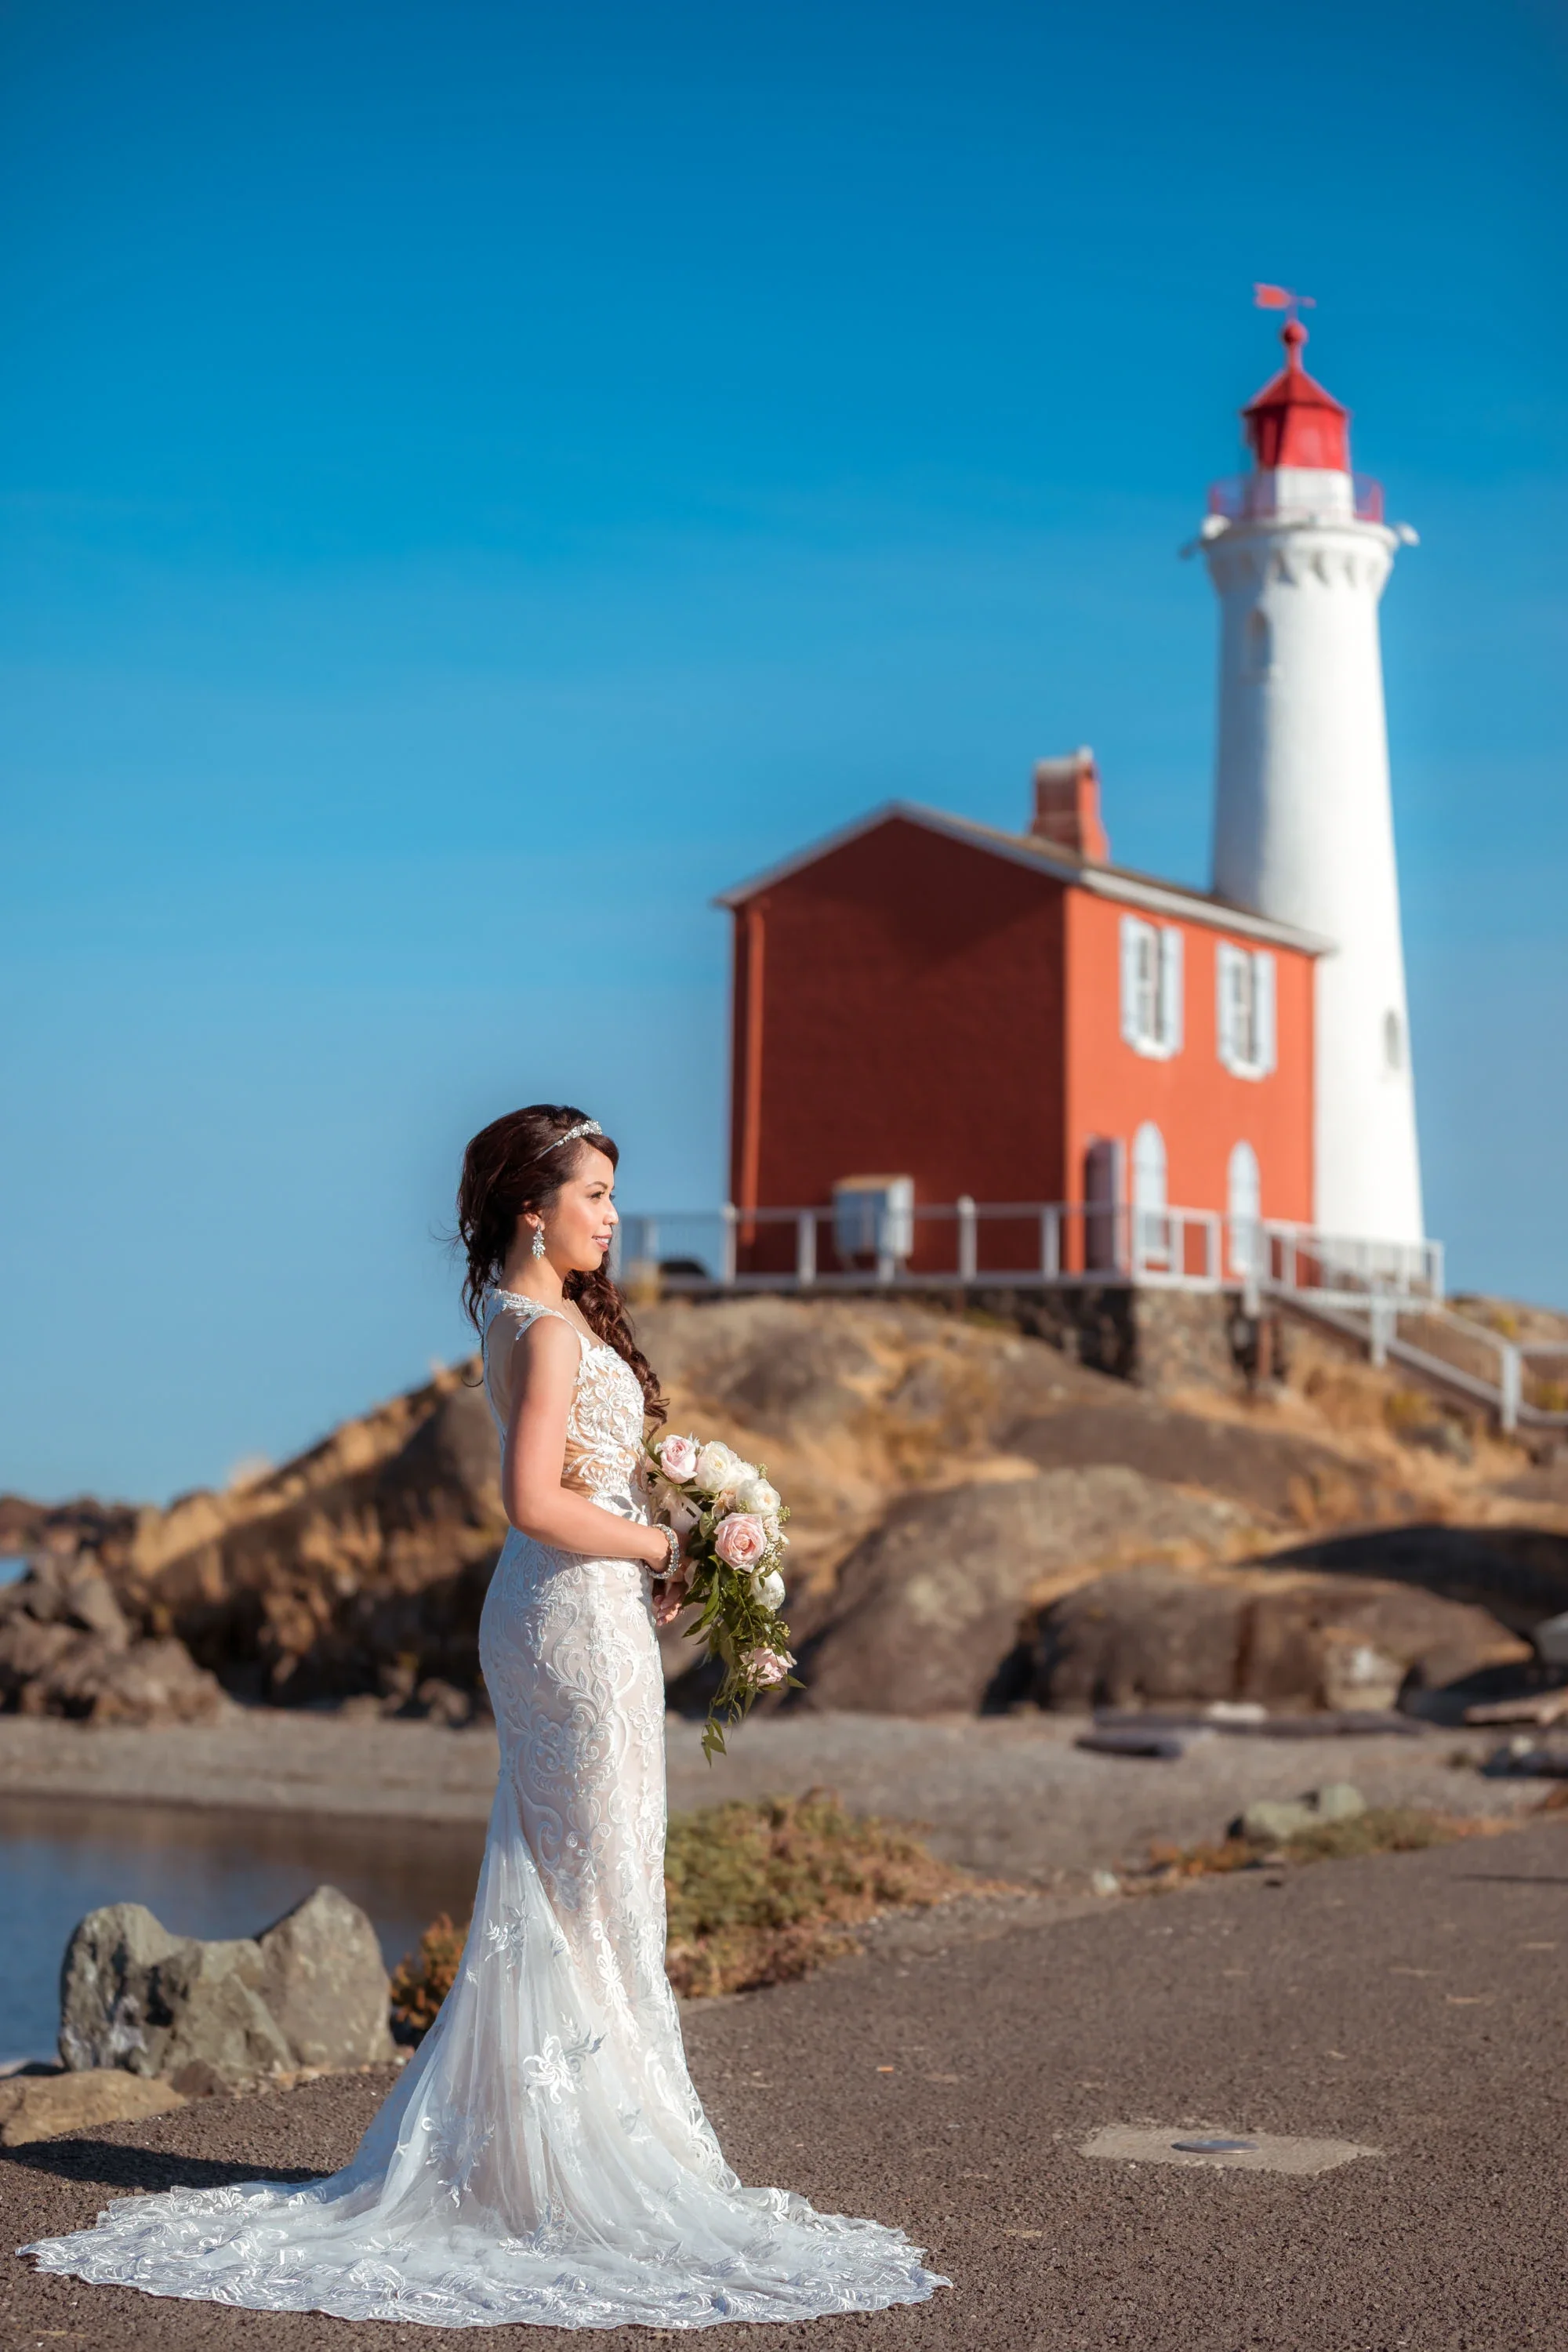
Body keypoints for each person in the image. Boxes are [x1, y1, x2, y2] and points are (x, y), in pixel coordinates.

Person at [23, 1103, 948, 2328]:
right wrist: (664, 1536)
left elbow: (566, 1492)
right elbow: (533, 1501)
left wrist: (654, 1551)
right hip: (567, 1618)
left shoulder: (514, 1316)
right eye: (597, 1197)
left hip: (566, 1618)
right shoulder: (549, 1329)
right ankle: (576, 2168)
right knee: (597, 1882)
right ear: (534, 1205)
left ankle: (538, 2155)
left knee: (573, 1881)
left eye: (614, 1197)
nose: (613, 1219)